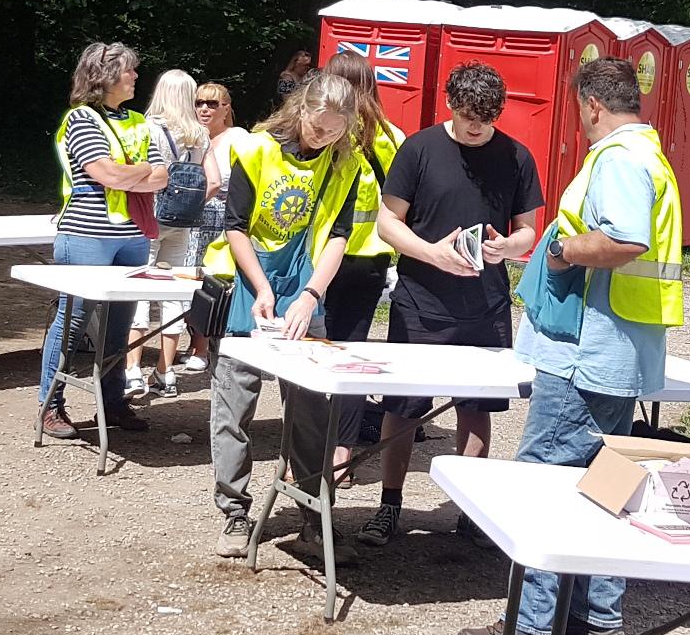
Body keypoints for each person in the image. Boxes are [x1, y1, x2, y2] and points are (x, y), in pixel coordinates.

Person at [457, 56, 684, 635]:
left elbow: (623, 240)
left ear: (591, 105)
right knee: (604, 482)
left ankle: (532, 625)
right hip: (619, 350)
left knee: (544, 483)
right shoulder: (651, 156)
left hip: (585, 353)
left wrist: (558, 251)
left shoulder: (616, 158)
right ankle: (596, 614)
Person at [357, 61, 543, 548]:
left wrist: (510, 247)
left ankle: (469, 509)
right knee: (403, 406)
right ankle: (389, 504)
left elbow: (527, 229)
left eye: (486, 118)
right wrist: (432, 253)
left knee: (475, 406)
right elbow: (388, 223)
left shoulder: (517, 157)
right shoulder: (419, 149)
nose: (477, 127)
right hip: (420, 301)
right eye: (467, 118)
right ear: (450, 104)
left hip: (485, 303)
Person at [202, 73, 361, 560]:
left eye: (335, 131)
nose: (325, 137)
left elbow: (339, 235)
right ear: (301, 110)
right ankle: (233, 511)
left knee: (313, 413)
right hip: (252, 290)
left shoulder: (346, 161)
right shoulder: (254, 150)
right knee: (234, 406)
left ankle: (316, 519)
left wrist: (312, 293)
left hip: (306, 296)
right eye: (319, 128)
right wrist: (262, 286)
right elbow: (236, 227)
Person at [37, 42, 169, 439]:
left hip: (131, 236)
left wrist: (130, 171)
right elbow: (104, 174)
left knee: (119, 324)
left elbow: (163, 176)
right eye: (129, 71)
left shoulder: (138, 120)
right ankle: (50, 405)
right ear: (106, 75)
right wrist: (138, 171)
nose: (135, 77)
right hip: (85, 234)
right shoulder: (81, 118)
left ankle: (112, 402)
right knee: (72, 321)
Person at [320, 51, 404, 488]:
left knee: (312, 351)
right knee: (350, 353)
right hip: (370, 260)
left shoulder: (322, 133)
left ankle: (309, 446)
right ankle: (340, 452)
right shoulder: (392, 137)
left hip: (320, 259)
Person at [124, 69, 220, 398]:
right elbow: (215, 181)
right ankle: (165, 373)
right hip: (182, 223)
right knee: (174, 295)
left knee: (138, 289)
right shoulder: (201, 134)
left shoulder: (146, 128)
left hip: (148, 218)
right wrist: (191, 206)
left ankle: (132, 369)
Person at [183, 82, 248, 371]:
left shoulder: (238, 137)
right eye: (199, 103)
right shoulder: (192, 136)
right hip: (191, 219)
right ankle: (193, 341)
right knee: (188, 283)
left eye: (212, 103)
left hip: (221, 219)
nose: (204, 109)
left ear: (226, 108)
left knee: (213, 283)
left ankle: (203, 347)